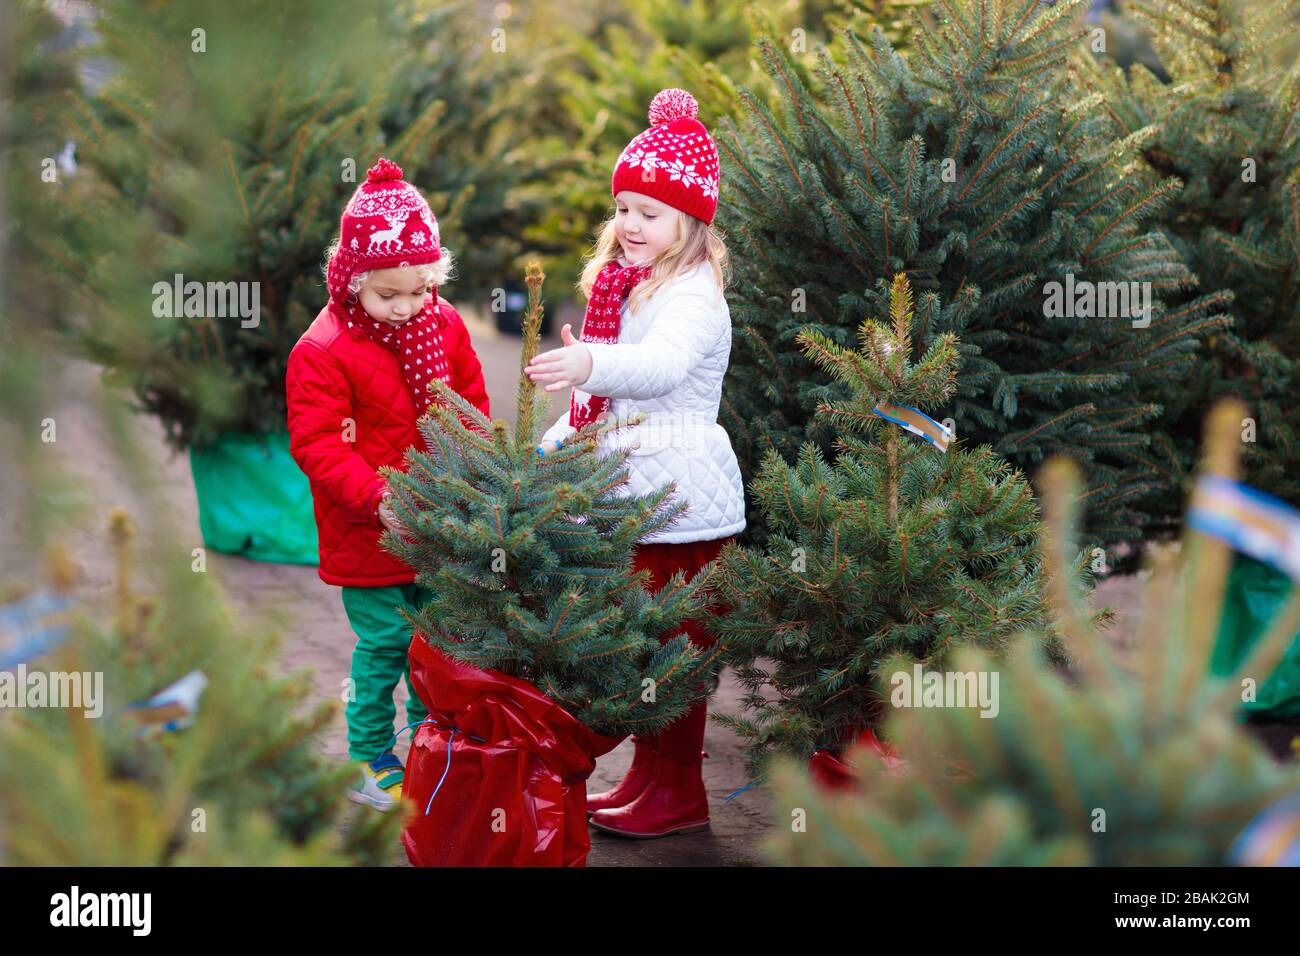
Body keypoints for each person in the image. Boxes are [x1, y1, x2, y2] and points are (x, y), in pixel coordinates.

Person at [525, 89, 745, 838]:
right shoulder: (634, 285)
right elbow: (615, 406)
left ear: (691, 222)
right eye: (622, 209)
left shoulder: (692, 296)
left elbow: (656, 368)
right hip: (643, 482)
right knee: (646, 634)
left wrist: (590, 360)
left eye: (649, 213)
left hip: (681, 494)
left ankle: (677, 788)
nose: (629, 225)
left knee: (669, 645)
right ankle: (649, 779)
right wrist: (559, 442)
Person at [286, 158, 490, 811]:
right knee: (385, 642)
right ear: (352, 283)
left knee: (437, 640)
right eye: (389, 294)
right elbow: (317, 444)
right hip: (369, 531)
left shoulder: (445, 323)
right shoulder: (321, 350)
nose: (407, 307)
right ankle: (369, 754)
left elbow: (471, 405)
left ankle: (433, 740)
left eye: (419, 290)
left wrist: (479, 466)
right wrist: (381, 499)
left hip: (439, 522)